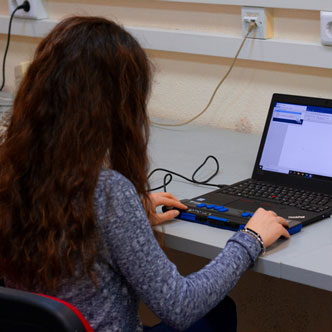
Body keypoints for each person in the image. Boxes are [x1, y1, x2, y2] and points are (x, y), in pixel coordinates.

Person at [0, 16, 290, 332]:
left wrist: (127, 216)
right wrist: (250, 239)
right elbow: (180, 305)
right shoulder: (106, 192)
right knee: (217, 313)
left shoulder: (11, 170)